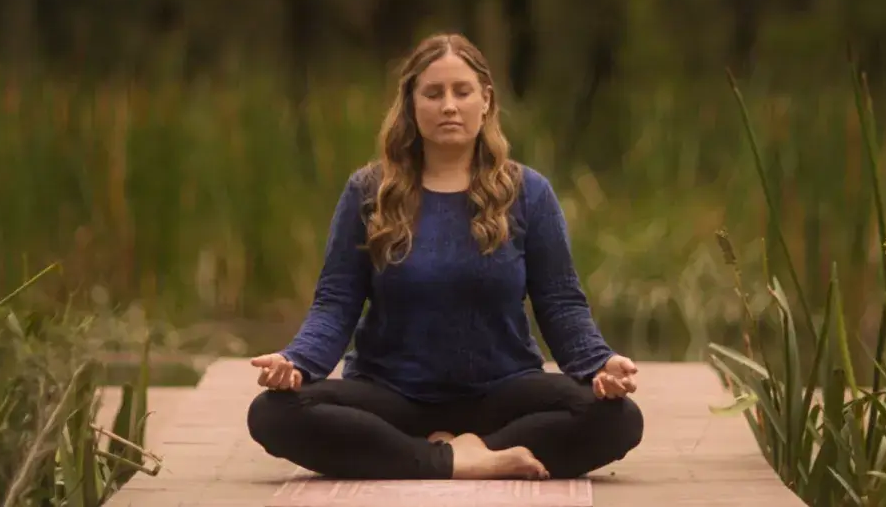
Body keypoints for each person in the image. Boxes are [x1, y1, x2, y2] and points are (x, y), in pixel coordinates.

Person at [246, 33, 644, 481]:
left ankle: (459, 452)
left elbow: (560, 302)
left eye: (462, 91)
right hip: (392, 395)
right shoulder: (369, 191)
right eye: (433, 93)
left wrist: (600, 363)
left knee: (618, 418)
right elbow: (336, 302)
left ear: (486, 100)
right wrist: (296, 362)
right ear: (411, 104)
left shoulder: (528, 192)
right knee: (273, 413)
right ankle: (455, 461)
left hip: (503, 393)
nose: (449, 106)